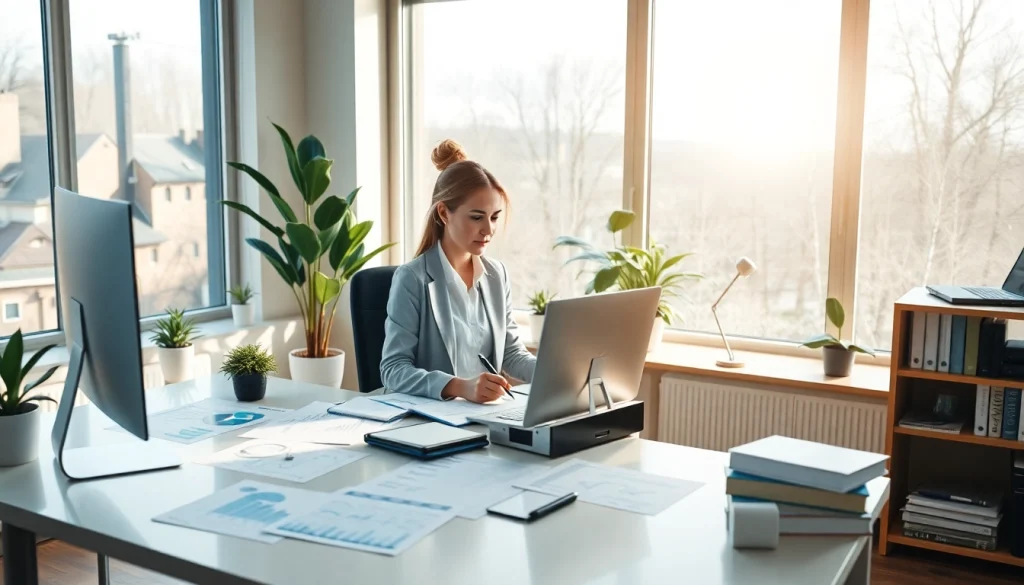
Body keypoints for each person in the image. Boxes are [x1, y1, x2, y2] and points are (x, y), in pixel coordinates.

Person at [380, 139, 536, 403]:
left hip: (483, 416)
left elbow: (511, 354)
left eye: (494, 217)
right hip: (429, 422)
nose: (488, 230)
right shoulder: (411, 279)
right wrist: (460, 387)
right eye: (476, 217)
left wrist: (558, 376)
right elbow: (393, 370)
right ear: (444, 213)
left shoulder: (497, 275)